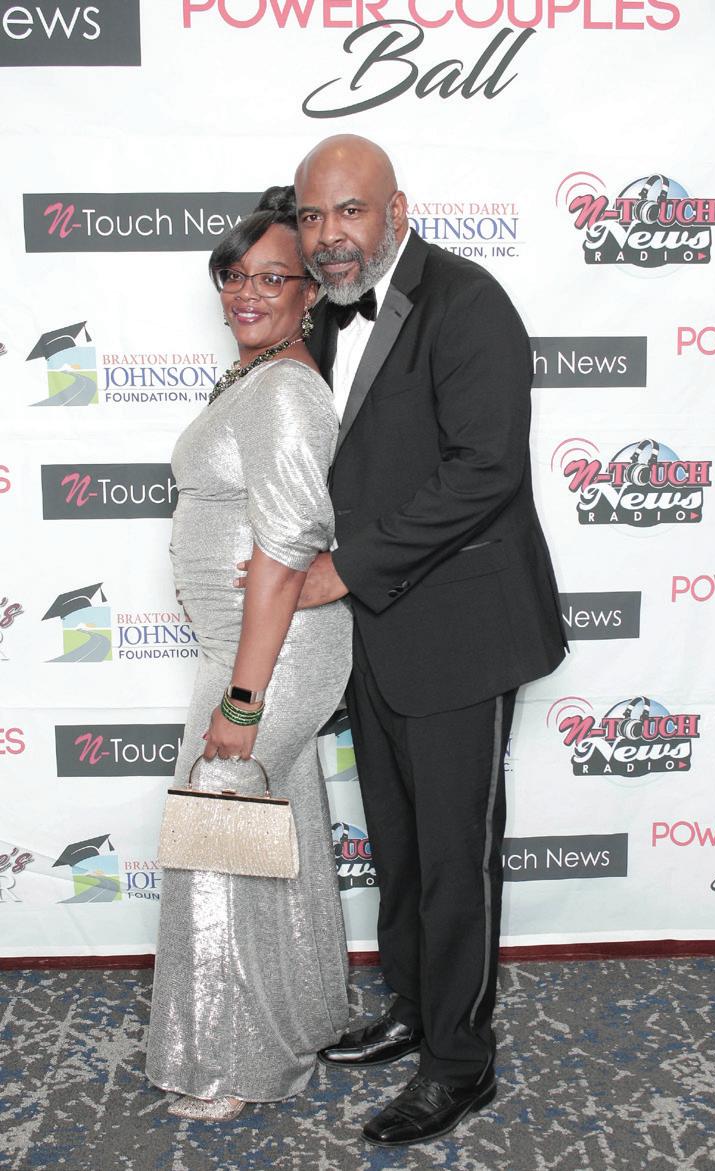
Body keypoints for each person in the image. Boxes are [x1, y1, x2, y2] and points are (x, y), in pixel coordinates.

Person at [293, 135, 568, 1147]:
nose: (329, 235)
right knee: (400, 846)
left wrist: (347, 568)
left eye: (349, 211)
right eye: (312, 215)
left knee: (455, 857)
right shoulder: (323, 313)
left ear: (396, 210)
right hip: (374, 633)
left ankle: (459, 1061)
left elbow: (485, 467)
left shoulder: (467, 301)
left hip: (459, 628)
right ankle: (411, 1007)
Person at [146, 187, 352, 1121]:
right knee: (272, 829)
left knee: (216, 833)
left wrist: (241, 701)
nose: (246, 292)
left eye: (273, 278)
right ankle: (300, 1018)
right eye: (234, 275)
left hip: (270, 653)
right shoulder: (257, 376)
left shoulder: (286, 390)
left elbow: (288, 544)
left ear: (310, 292)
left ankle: (233, 1062)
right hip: (248, 646)